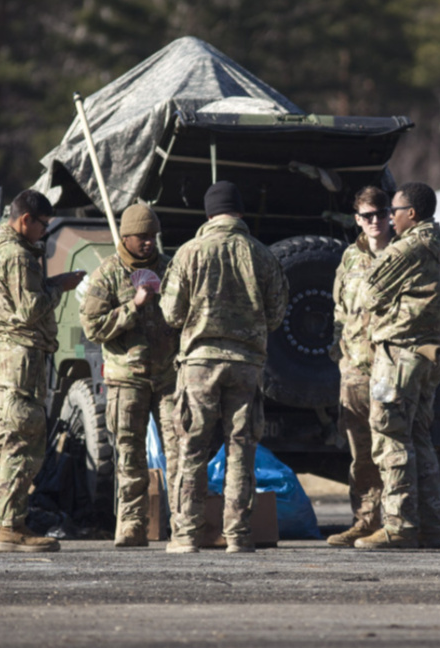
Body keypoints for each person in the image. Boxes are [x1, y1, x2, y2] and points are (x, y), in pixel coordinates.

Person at [159, 181, 288, 554]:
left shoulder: (189, 253)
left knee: (192, 449)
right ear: (241, 212)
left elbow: (170, 313)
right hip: (246, 365)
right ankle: (238, 535)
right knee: (241, 449)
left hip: (199, 364)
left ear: (209, 213)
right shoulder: (262, 255)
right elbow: (277, 313)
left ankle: (186, 536)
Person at [0, 189, 83, 552]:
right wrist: (59, 285)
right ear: (25, 220)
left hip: (3, 357)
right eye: (42, 225)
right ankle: (12, 526)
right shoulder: (17, 255)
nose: (45, 233)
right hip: (21, 357)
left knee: (2, 441)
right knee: (24, 440)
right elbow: (30, 309)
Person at [354, 182, 440, 550]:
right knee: (418, 438)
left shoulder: (408, 247)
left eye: (393, 211)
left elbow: (368, 293)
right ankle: (429, 527)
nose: (389, 218)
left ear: (411, 214)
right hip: (428, 355)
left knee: (389, 435)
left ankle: (399, 526)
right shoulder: (439, 243)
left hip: (400, 355)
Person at [80, 204, 180, 547]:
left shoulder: (170, 270)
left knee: (180, 451)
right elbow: (92, 327)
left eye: (153, 236)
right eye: (142, 237)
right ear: (125, 237)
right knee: (129, 455)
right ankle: (132, 525)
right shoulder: (107, 275)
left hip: (169, 378)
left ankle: (184, 526)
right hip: (127, 379)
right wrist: (132, 308)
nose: (149, 243)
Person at [325, 186, 394, 547]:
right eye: (367, 216)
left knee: (393, 447)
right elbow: (340, 310)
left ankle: (396, 521)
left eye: (380, 214)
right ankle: (365, 520)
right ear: (357, 219)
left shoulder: (402, 255)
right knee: (361, 451)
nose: (375, 222)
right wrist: (342, 358)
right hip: (354, 368)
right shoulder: (350, 258)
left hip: (390, 367)